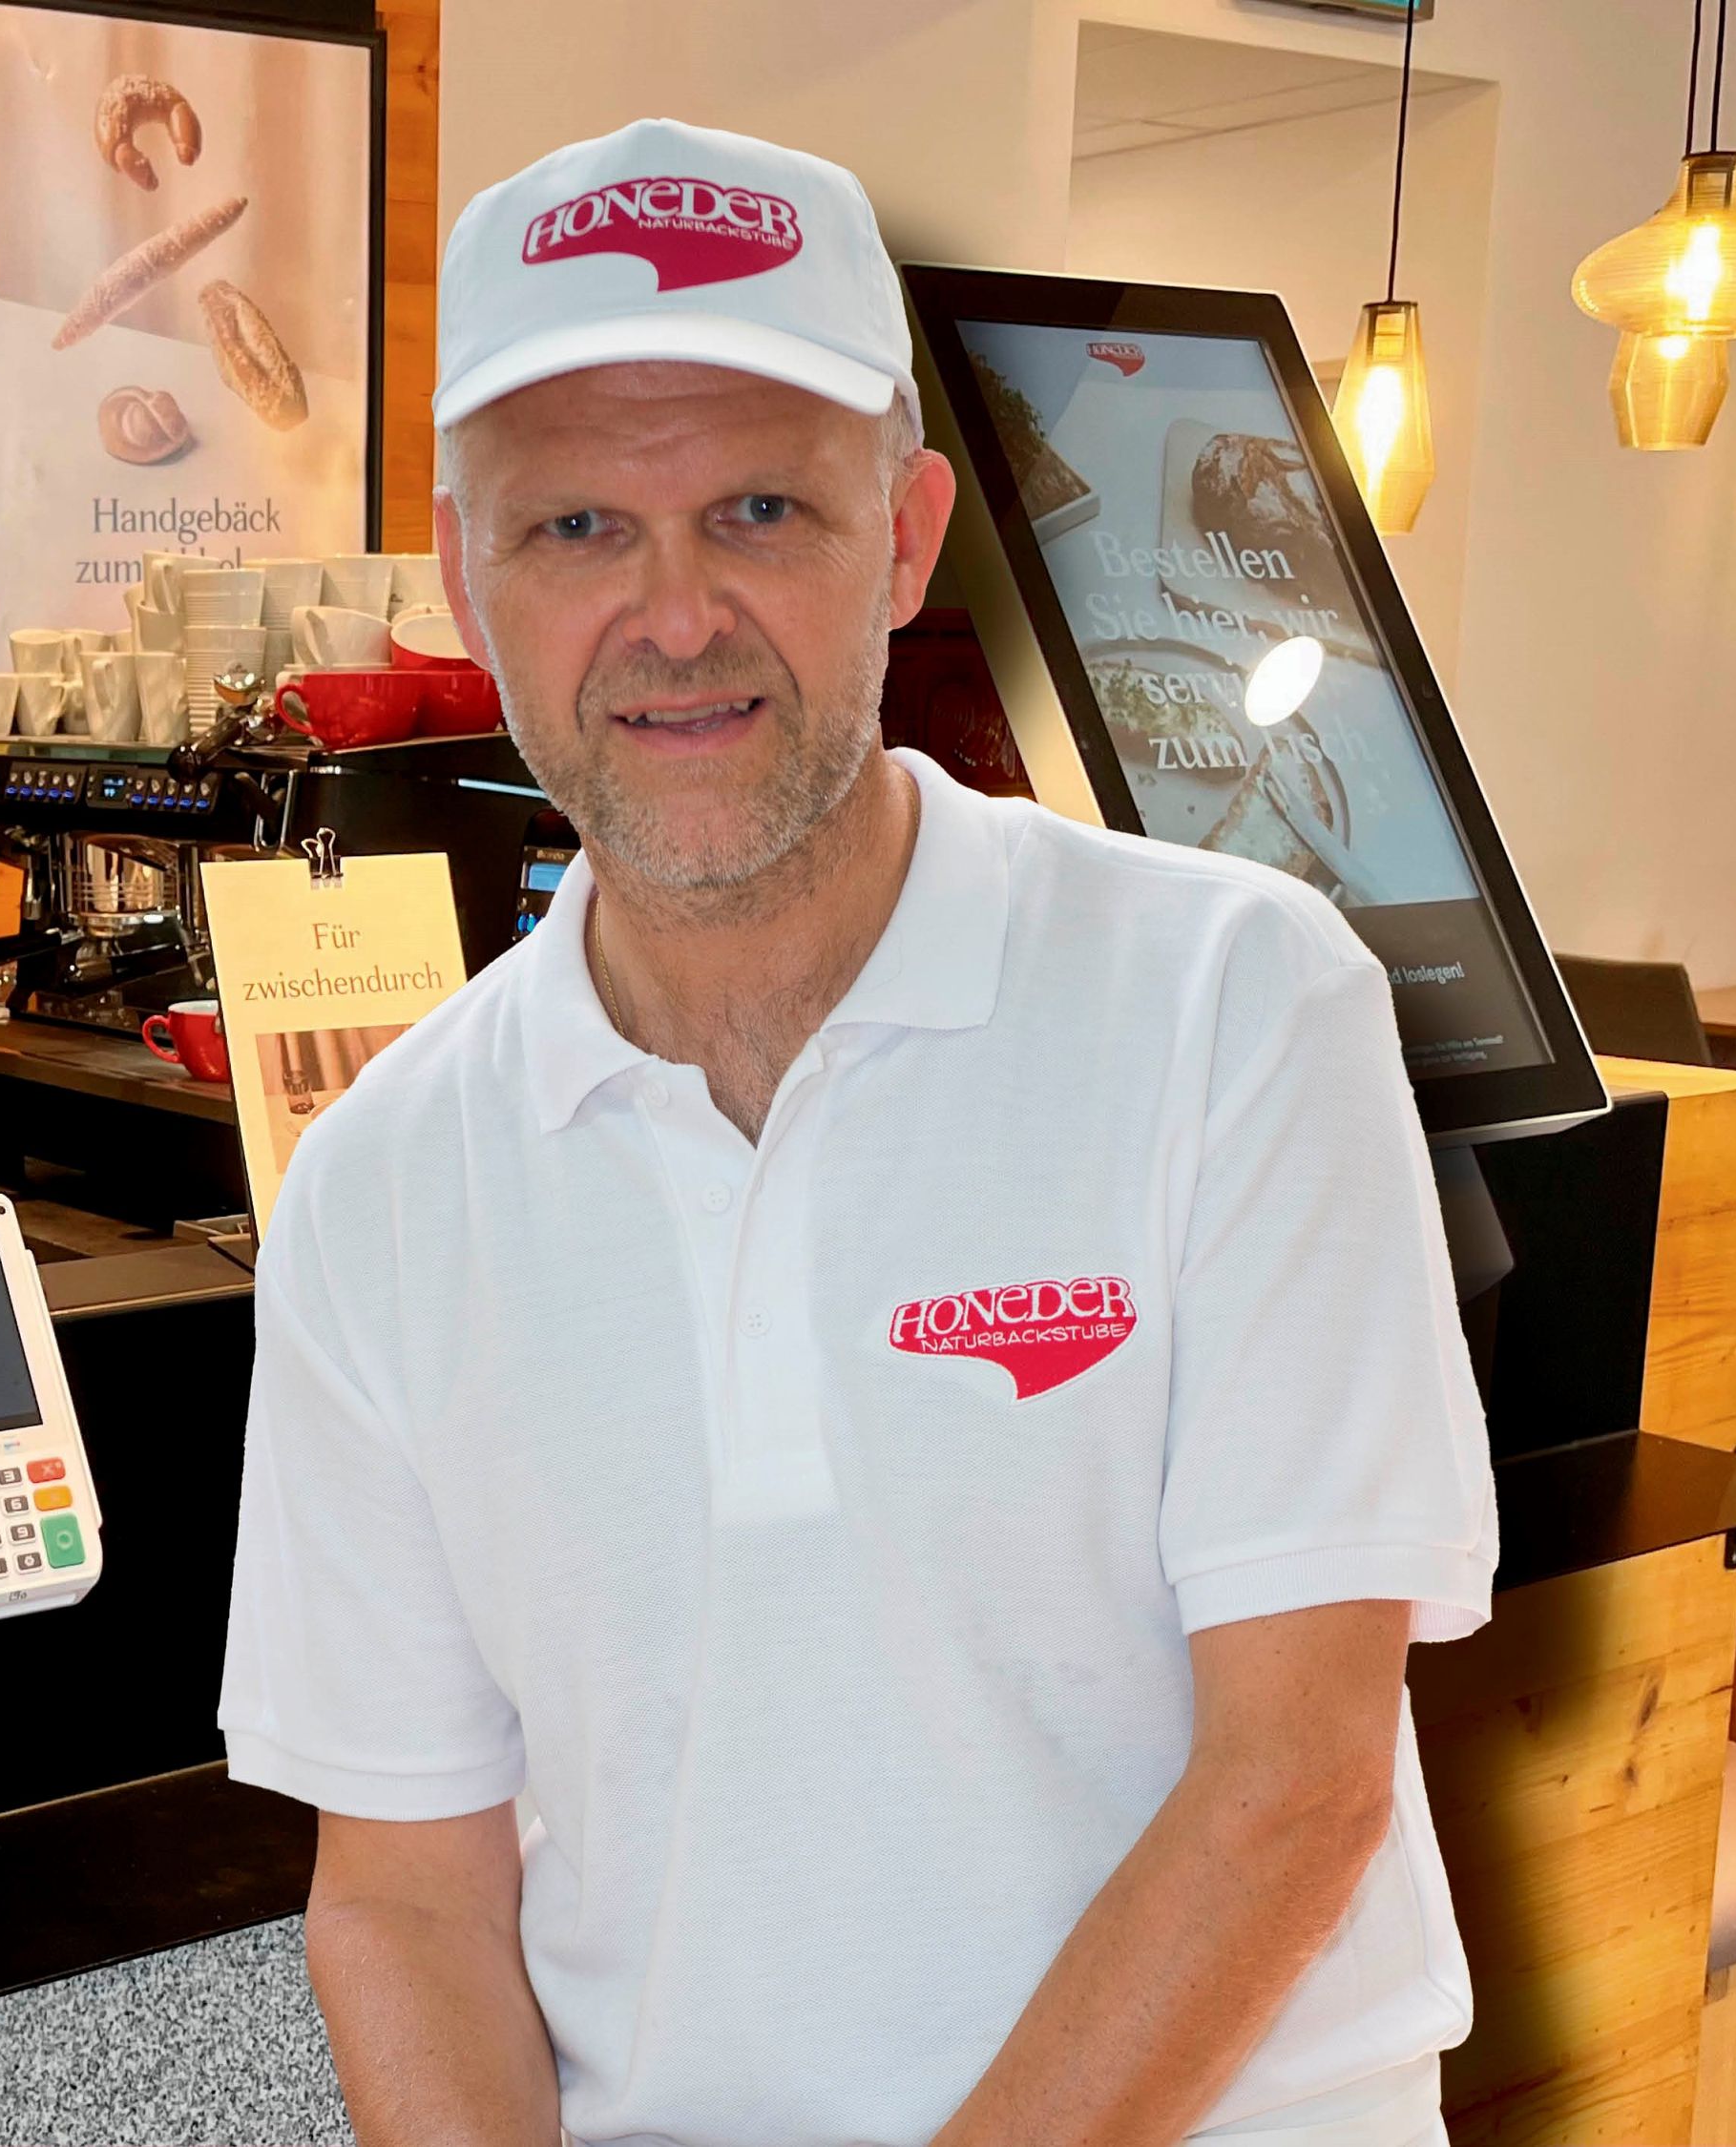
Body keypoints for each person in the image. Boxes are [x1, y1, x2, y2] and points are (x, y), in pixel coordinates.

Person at [217, 119, 1494, 2147]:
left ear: (899, 540)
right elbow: (401, 1898)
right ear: (464, 579)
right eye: (570, 531)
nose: (671, 614)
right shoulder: (381, 1185)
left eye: (752, 510)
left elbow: (1294, 1784)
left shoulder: (1234, 1010)